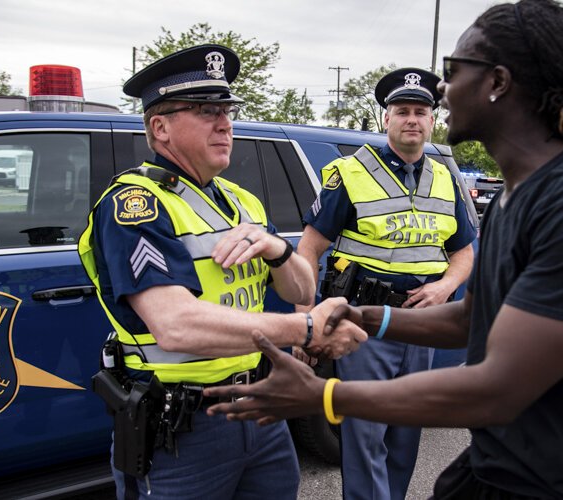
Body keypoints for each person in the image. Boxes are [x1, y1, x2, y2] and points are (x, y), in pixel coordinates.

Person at [204, 1, 563, 498]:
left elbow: (499, 388)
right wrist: (365, 316)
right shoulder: (520, 194)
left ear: (498, 82)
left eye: (451, 73)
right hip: (509, 469)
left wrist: (323, 395)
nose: (442, 93)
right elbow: (472, 321)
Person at [77, 44, 366, 500]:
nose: (225, 123)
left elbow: (303, 286)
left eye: (227, 110)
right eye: (206, 111)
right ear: (160, 127)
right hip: (183, 429)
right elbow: (174, 325)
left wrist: (275, 250)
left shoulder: (240, 201)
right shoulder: (135, 206)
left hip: (260, 409)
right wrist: (306, 327)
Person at [292, 67, 475, 499]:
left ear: (433, 121)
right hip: (365, 324)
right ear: (386, 119)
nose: (412, 119)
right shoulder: (349, 174)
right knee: (365, 435)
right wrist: (304, 321)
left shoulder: (446, 178)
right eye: (402, 111)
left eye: (421, 112)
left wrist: (444, 287)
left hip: (421, 323)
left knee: (406, 433)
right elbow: (309, 249)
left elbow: (464, 252)